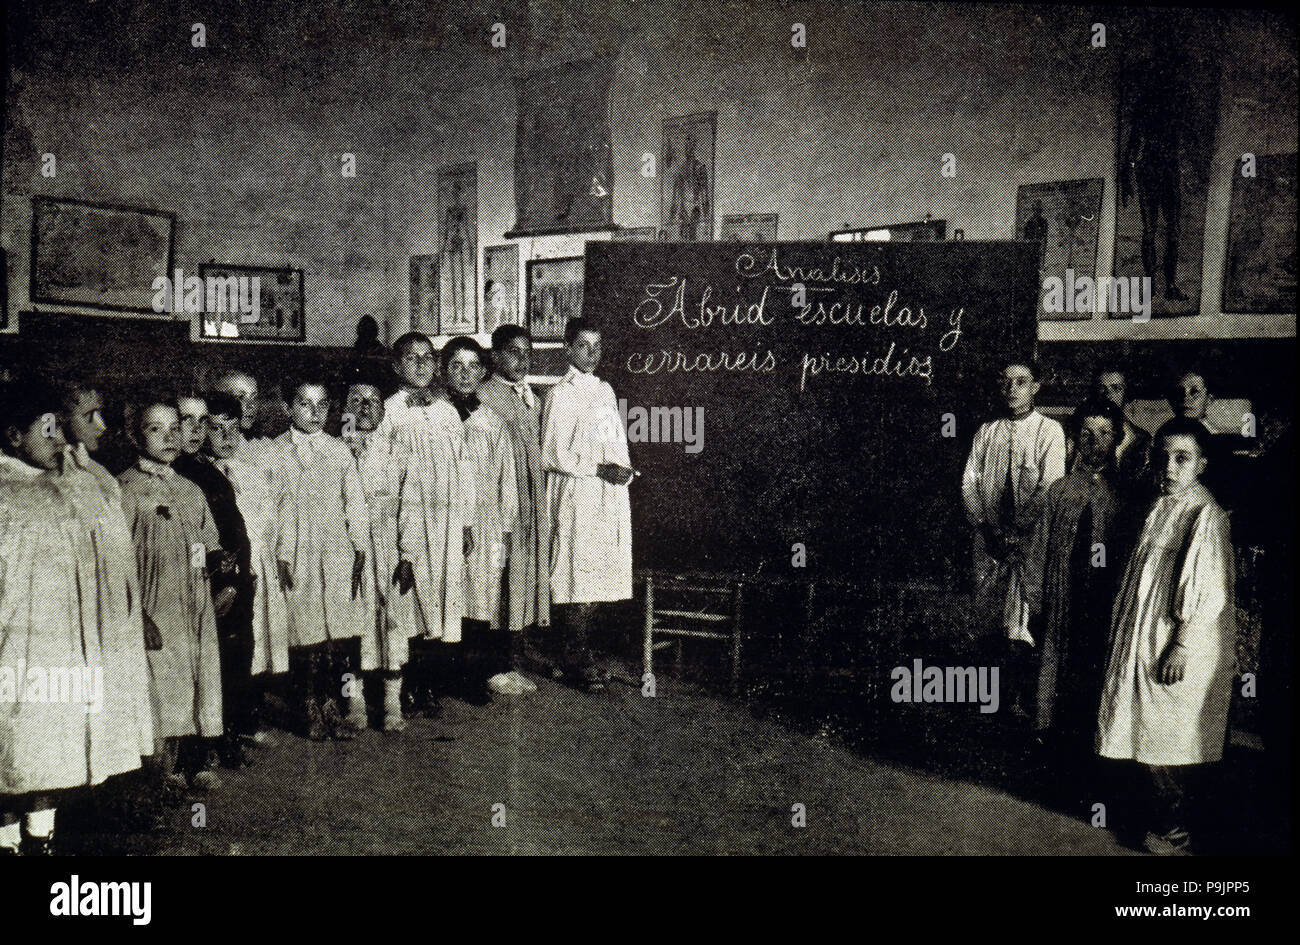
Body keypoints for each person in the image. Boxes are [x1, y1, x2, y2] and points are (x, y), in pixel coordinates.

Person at [1, 380, 151, 855]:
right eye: (44, 430)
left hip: (61, 644)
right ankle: (7, 841)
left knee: (50, 747)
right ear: (12, 437)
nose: (56, 439)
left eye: (56, 429)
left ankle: (40, 838)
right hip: (12, 645)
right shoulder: (6, 494)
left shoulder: (71, 484)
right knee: (9, 750)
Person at [1096, 417, 1236, 855]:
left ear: (1202, 464)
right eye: (1164, 458)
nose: (1170, 468)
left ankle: (1176, 830)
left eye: (1183, 459)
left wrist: (1181, 643)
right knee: (1139, 722)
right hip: (1142, 627)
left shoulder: (1205, 514)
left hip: (1174, 636)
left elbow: (1209, 589)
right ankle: (1156, 818)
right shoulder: (1160, 505)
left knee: (1167, 732)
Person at [118, 397, 227, 792]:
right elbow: (117, 561)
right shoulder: (125, 490)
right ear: (134, 435)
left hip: (191, 603)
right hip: (153, 604)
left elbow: (200, 543)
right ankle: (156, 774)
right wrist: (138, 616)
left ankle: (186, 763)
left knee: (191, 680)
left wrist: (213, 571)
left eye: (173, 429)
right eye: (154, 429)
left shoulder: (190, 490)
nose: (168, 437)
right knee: (158, 685)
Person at [961, 360, 1066, 718]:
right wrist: (987, 528)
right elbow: (970, 483)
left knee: (1020, 621)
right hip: (989, 540)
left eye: (1021, 382)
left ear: (1036, 386)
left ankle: (1017, 700)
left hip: (1027, 542)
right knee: (987, 614)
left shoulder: (1049, 432)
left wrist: (1016, 532)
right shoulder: (986, 432)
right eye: (1005, 382)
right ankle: (987, 698)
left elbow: (1049, 487)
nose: (1012, 389)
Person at [378, 333, 474, 716]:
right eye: (411, 358)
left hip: (446, 520)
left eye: (427, 358)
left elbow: (464, 469)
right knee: (408, 601)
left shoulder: (448, 411)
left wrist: (465, 521)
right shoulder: (388, 411)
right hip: (407, 522)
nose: (421, 365)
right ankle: (400, 687)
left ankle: (428, 684)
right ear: (397, 366)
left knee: (442, 600)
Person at [272, 374, 371, 740]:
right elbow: (274, 508)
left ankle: (335, 703)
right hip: (296, 551)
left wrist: (360, 548)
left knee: (339, 637)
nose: (313, 412)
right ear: (287, 408)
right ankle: (308, 706)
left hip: (336, 550)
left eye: (321, 405)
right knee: (305, 633)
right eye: (304, 404)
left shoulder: (338, 450)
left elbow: (355, 503)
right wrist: (280, 552)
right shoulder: (276, 451)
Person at [1025, 400, 1127, 752]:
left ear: (1116, 440)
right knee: (1058, 668)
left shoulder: (1126, 494)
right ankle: (1052, 739)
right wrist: (1036, 602)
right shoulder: (1060, 491)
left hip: (1106, 601)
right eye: (1085, 434)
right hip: (1063, 596)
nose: (1094, 442)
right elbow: (1038, 550)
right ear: (1074, 439)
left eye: (1103, 434)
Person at [542, 319, 634, 692]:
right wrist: (598, 467)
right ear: (568, 348)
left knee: (598, 577)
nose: (591, 353)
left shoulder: (605, 391)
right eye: (583, 345)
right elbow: (551, 453)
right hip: (575, 493)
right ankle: (574, 658)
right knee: (575, 575)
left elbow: (614, 441)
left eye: (597, 346)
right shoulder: (560, 394)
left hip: (604, 494)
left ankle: (576, 655)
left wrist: (622, 470)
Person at [173, 391, 257, 768]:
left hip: (229, 580)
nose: (194, 430)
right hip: (193, 587)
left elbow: (228, 534)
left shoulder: (208, 473)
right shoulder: (177, 474)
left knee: (232, 659)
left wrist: (233, 580)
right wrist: (212, 582)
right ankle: (193, 751)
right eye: (185, 421)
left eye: (200, 421)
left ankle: (226, 734)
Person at [442, 337, 524, 698]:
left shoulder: (492, 423)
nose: (464, 374)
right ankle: (436, 676)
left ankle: (472, 677)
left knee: (479, 597)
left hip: (486, 521)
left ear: (483, 372)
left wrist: (504, 530)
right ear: (444, 371)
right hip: (442, 518)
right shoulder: (433, 416)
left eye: (473, 366)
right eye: (456, 366)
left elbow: (507, 481)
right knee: (443, 594)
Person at [342, 369, 414, 731]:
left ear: (384, 408)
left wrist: (407, 556)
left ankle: (391, 703)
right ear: (344, 406)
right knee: (350, 627)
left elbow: (411, 505)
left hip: (386, 546)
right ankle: (352, 701)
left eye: (373, 401)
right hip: (347, 549)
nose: (365, 407)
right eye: (357, 400)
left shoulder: (397, 452)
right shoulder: (335, 449)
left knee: (392, 626)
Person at [478, 326, 551, 667]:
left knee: (523, 570)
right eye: (513, 352)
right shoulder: (484, 395)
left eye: (527, 353)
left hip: (530, 499)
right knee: (501, 573)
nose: (521, 360)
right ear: (495, 356)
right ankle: (496, 661)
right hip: (501, 499)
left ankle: (515, 650)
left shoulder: (531, 397)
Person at [1081, 365, 1150, 489]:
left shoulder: (1141, 440)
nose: (1108, 395)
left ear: (1126, 393)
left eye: (1116, 388)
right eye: (1102, 389)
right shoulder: (1081, 435)